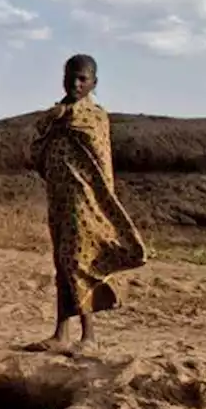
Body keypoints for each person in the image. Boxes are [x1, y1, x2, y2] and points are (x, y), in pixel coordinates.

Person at [26, 54, 146, 354]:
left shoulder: (91, 116)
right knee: (61, 264)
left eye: (82, 78)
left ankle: (89, 337)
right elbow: (37, 147)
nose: (75, 83)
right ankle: (60, 334)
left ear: (94, 82)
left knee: (78, 262)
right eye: (70, 77)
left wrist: (60, 119)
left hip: (84, 202)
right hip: (60, 201)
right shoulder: (56, 115)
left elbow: (99, 158)